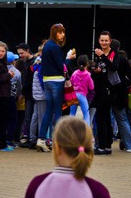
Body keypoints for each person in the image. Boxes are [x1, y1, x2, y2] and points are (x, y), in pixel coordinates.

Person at [37, 24, 76, 153]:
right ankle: (58, 141)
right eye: (59, 32)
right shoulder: (55, 47)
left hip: (46, 80)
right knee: (58, 111)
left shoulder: (47, 45)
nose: (62, 35)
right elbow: (61, 66)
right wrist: (68, 59)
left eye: (63, 32)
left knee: (49, 110)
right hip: (56, 81)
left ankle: (41, 139)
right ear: (54, 33)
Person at [15, 43, 35, 146]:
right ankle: (28, 137)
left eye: (22, 53)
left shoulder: (34, 62)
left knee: (30, 116)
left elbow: (30, 81)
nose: (20, 55)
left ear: (27, 50)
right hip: (28, 94)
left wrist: (23, 93)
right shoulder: (26, 62)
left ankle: (31, 138)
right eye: (19, 54)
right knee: (28, 117)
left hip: (32, 94)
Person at [69, 55, 94, 125]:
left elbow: (71, 83)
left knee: (72, 114)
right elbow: (91, 87)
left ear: (78, 63)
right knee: (86, 114)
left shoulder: (74, 73)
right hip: (82, 96)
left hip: (73, 95)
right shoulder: (88, 74)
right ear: (87, 64)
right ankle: (86, 130)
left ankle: (68, 129)